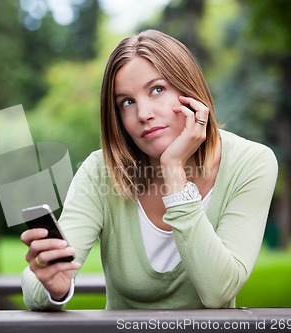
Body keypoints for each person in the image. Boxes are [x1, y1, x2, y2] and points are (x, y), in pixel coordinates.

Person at [20, 29, 278, 310]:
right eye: (127, 102)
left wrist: (173, 171)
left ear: (189, 89)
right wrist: (53, 287)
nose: (143, 114)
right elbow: (38, 287)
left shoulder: (251, 163)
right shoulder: (101, 171)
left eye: (157, 89)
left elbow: (218, 292)